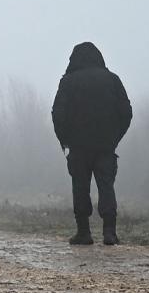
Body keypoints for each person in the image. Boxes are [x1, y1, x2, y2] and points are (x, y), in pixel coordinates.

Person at [51, 42, 132, 245]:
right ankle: (109, 232)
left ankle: (84, 232)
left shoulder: (68, 82)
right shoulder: (112, 80)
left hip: (77, 147)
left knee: (80, 187)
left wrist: (65, 141)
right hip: (105, 145)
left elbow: (57, 115)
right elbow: (126, 112)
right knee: (106, 186)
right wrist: (114, 138)